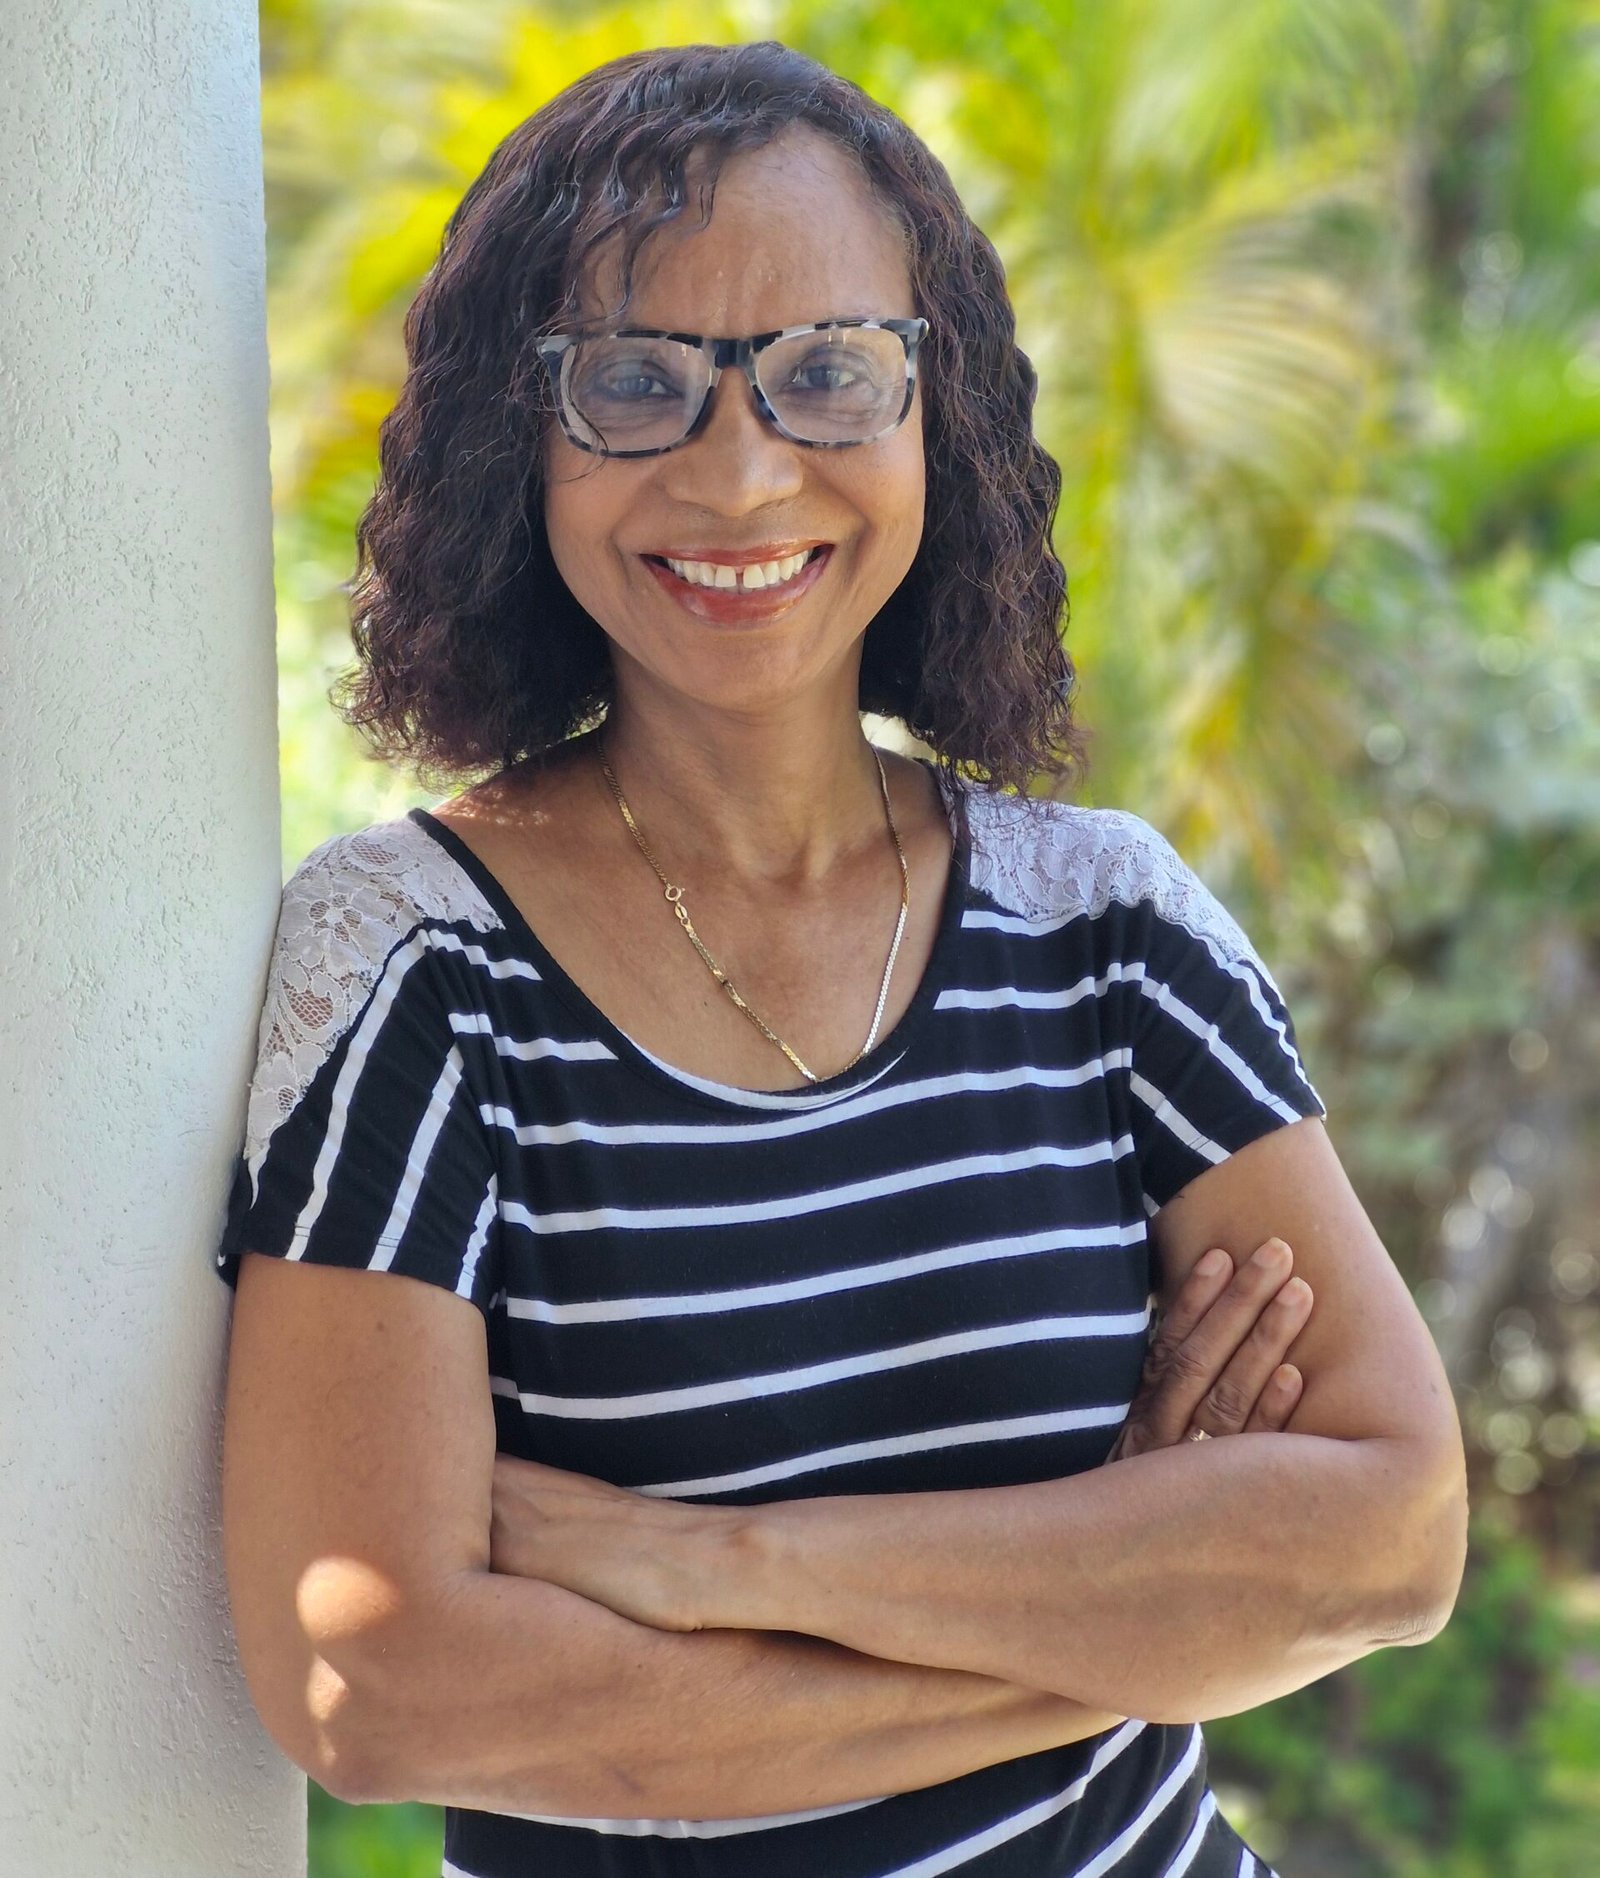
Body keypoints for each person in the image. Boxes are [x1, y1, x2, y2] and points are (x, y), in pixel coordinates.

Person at [214, 40, 1467, 1878]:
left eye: (825, 376)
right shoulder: (414, 965)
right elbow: (376, 1685)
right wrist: (1123, 1606)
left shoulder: (1105, 924)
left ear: (928, 415)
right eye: (636, 383)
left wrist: (722, 1564)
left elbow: (1396, 1535)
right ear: (521, 437)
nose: (739, 473)